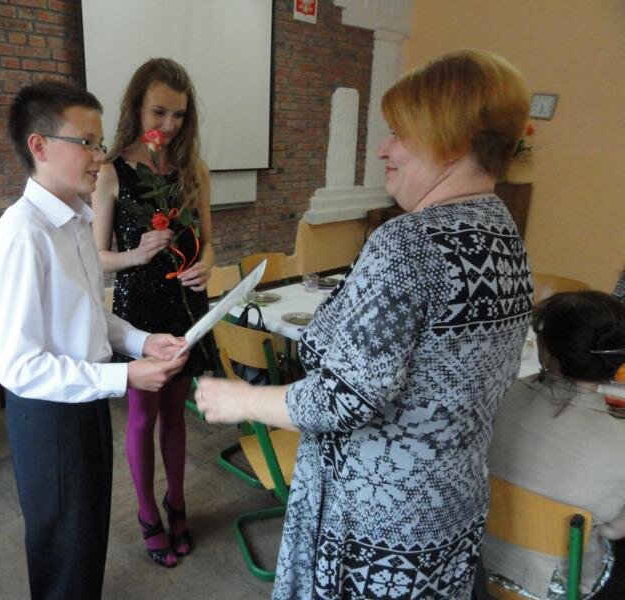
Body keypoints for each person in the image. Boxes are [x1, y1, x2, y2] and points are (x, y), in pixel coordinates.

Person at [196, 49, 534, 599]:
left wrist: (242, 400)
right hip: (449, 502)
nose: (384, 148)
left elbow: (345, 398)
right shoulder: (500, 228)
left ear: (449, 140)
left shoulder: (409, 243)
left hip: (376, 522)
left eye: (398, 133)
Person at [0, 80, 187, 600]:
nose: (100, 156)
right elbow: (19, 367)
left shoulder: (74, 219)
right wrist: (125, 375)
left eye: (100, 142)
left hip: (86, 399)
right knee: (63, 550)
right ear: (40, 146)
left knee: (86, 536)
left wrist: (142, 342)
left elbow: (90, 314)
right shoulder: (21, 235)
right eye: (87, 143)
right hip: (50, 416)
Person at [91, 58, 214, 568]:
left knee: (177, 417)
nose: (169, 124)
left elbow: (208, 240)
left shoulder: (193, 169)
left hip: (186, 305)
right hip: (139, 310)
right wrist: (136, 255)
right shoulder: (109, 171)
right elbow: (96, 257)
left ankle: (176, 503)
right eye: (159, 111)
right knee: (143, 418)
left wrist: (207, 264)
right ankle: (147, 515)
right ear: (136, 108)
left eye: (179, 114)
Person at [483, 291, 625, 599]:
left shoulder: (501, 395)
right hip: (558, 587)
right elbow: (615, 530)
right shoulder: (619, 440)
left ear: (545, 350)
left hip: (484, 566)